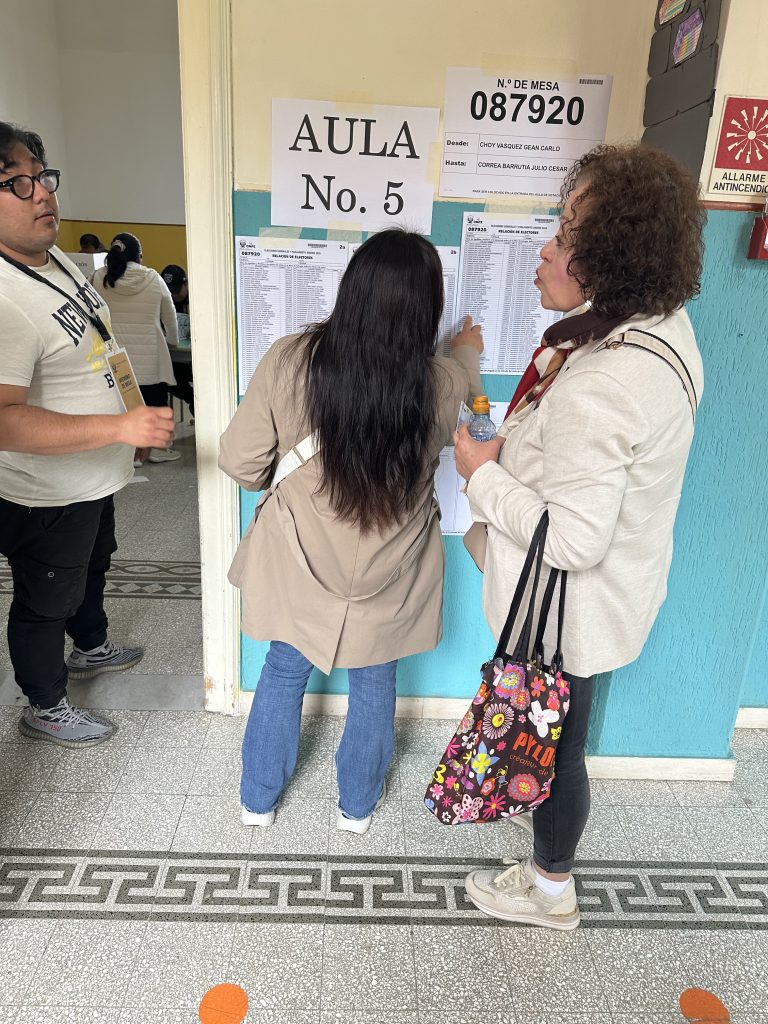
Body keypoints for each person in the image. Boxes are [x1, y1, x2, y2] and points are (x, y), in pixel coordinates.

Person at [456, 144, 705, 930]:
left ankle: (550, 890)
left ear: (612, 258)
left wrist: (481, 476)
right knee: (558, 739)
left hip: (572, 611)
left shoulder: (607, 380)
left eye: (566, 235)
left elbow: (571, 541)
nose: (547, 247)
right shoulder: (657, 328)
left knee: (555, 750)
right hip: (606, 596)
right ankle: (546, 865)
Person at [219, 229, 483, 834]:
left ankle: (257, 803)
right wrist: (467, 356)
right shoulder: (443, 383)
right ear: (427, 308)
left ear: (352, 289)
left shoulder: (290, 360)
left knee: (283, 669)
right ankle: (356, 810)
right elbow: (473, 411)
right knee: (375, 678)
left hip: (299, 557)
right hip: (392, 568)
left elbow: (241, 464)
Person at [0, 121, 175, 747]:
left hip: (92, 474)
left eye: (42, 177)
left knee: (93, 564)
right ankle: (45, 704)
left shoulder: (57, 264)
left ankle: (90, 645)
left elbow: (100, 348)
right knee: (45, 598)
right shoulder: (4, 297)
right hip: (45, 492)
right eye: (17, 183)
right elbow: (3, 419)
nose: (43, 193)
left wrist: (130, 418)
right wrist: (121, 424)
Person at [93, 233, 180, 465]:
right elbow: (169, 315)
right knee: (154, 405)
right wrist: (172, 340)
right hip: (149, 358)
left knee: (120, 407)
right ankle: (157, 450)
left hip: (112, 359)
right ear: (139, 255)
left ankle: (129, 454)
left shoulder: (98, 278)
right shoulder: (153, 278)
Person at [161, 263, 194, 418]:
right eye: (169, 291)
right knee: (167, 379)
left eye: (176, 290)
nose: (173, 295)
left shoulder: (197, 299)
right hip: (173, 359)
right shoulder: (162, 300)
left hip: (194, 359)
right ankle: (193, 400)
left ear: (186, 284)